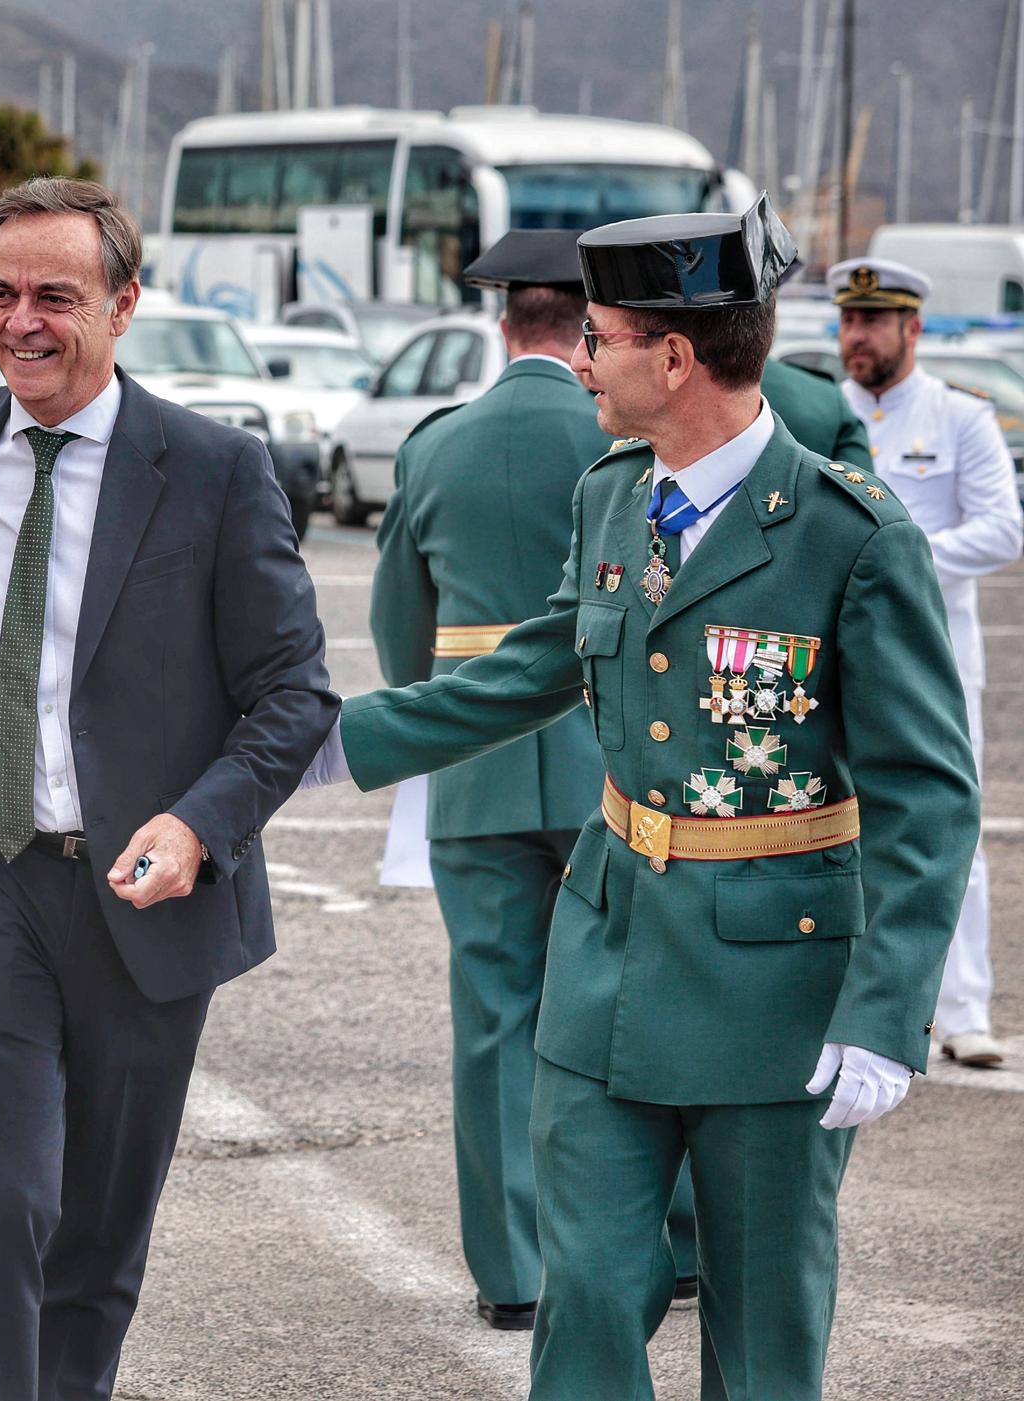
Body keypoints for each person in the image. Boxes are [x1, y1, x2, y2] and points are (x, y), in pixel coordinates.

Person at [306, 197, 976, 1398]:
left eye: (600, 336)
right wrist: (332, 743)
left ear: (671, 357)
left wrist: (886, 1010)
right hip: (606, 959)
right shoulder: (611, 493)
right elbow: (538, 661)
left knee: (763, 1326)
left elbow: (926, 800)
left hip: (773, 991)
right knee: (589, 1301)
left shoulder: (849, 536)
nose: (577, 358)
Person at [0, 177, 336, 1401]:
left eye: (54, 296)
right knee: (4, 1193)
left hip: (144, 886)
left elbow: (293, 692)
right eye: (1, 293)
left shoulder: (216, 472)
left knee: (101, 1231)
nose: (20, 322)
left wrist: (197, 824)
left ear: (124, 305)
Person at [362, 228, 697, 1331]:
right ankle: (672, 1242)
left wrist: (440, 707)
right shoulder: (627, 436)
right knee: (646, 1002)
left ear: (500, 317)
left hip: (474, 768)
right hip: (616, 756)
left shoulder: (435, 443)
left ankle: (511, 1269)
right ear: (587, 324)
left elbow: (395, 623)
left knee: (493, 1018)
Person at [831, 254, 1022, 1068]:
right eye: (848, 320)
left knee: (950, 830)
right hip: (833, 658)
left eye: (873, 321)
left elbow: (1002, 530)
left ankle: (963, 1008)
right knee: (831, 823)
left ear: (913, 327)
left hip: (934, 660)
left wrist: (893, 560)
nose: (857, 337)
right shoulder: (816, 410)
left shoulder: (958, 417)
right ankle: (850, 1000)